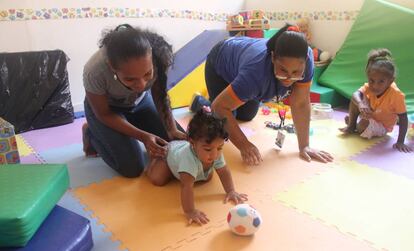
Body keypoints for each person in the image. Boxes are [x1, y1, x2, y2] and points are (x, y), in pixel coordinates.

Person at [190, 24, 333, 165]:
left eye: (296, 72)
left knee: (247, 116)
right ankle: (200, 103)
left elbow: (301, 103)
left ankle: (228, 97)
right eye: (283, 70)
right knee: (220, 125)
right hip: (221, 61)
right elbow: (220, 107)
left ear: (305, 62)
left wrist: (304, 146)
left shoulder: (306, 59)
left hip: (244, 62)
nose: (289, 79)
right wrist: (244, 144)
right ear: (272, 58)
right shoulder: (255, 74)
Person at [82, 24, 186, 178]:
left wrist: (171, 129)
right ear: (112, 66)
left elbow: (159, 94)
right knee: (132, 168)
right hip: (108, 110)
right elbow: (104, 114)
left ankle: (134, 126)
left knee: (178, 144)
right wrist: (143, 136)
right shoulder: (95, 71)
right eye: (130, 79)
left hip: (140, 103)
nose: (142, 85)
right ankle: (91, 132)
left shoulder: (159, 56)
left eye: (147, 74)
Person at [146, 108, 248, 225]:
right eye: (208, 149)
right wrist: (190, 211)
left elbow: (224, 170)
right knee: (157, 179)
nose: (215, 154)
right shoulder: (188, 158)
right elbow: (186, 186)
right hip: (169, 155)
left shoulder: (214, 152)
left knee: (207, 177)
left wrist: (231, 191)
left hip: (186, 160)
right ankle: (154, 158)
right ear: (192, 143)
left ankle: (186, 169)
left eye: (220, 148)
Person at [340, 49, 412, 152]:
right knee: (356, 99)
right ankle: (351, 126)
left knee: (362, 125)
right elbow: (355, 94)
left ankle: (356, 125)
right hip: (369, 116)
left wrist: (400, 141)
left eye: (381, 82)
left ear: (390, 81)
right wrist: (361, 104)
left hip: (382, 126)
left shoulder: (396, 95)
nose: (375, 86)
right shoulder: (369, 87)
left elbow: (403, 117)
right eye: (371, 81)